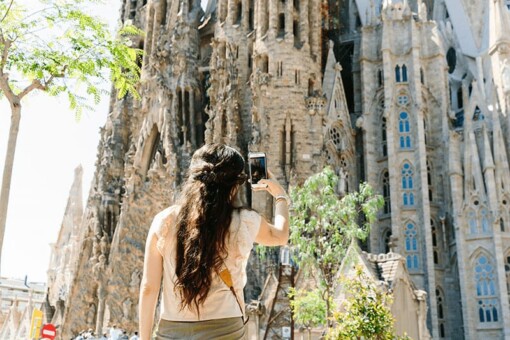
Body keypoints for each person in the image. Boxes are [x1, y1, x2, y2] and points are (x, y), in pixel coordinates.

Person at [139, 143, 290, 340]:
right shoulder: (244, 220)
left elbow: (149, 288)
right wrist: (280, 195)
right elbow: (281, 235)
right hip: (227, 330)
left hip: (173, 331)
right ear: (235, 185)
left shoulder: (164, 221)